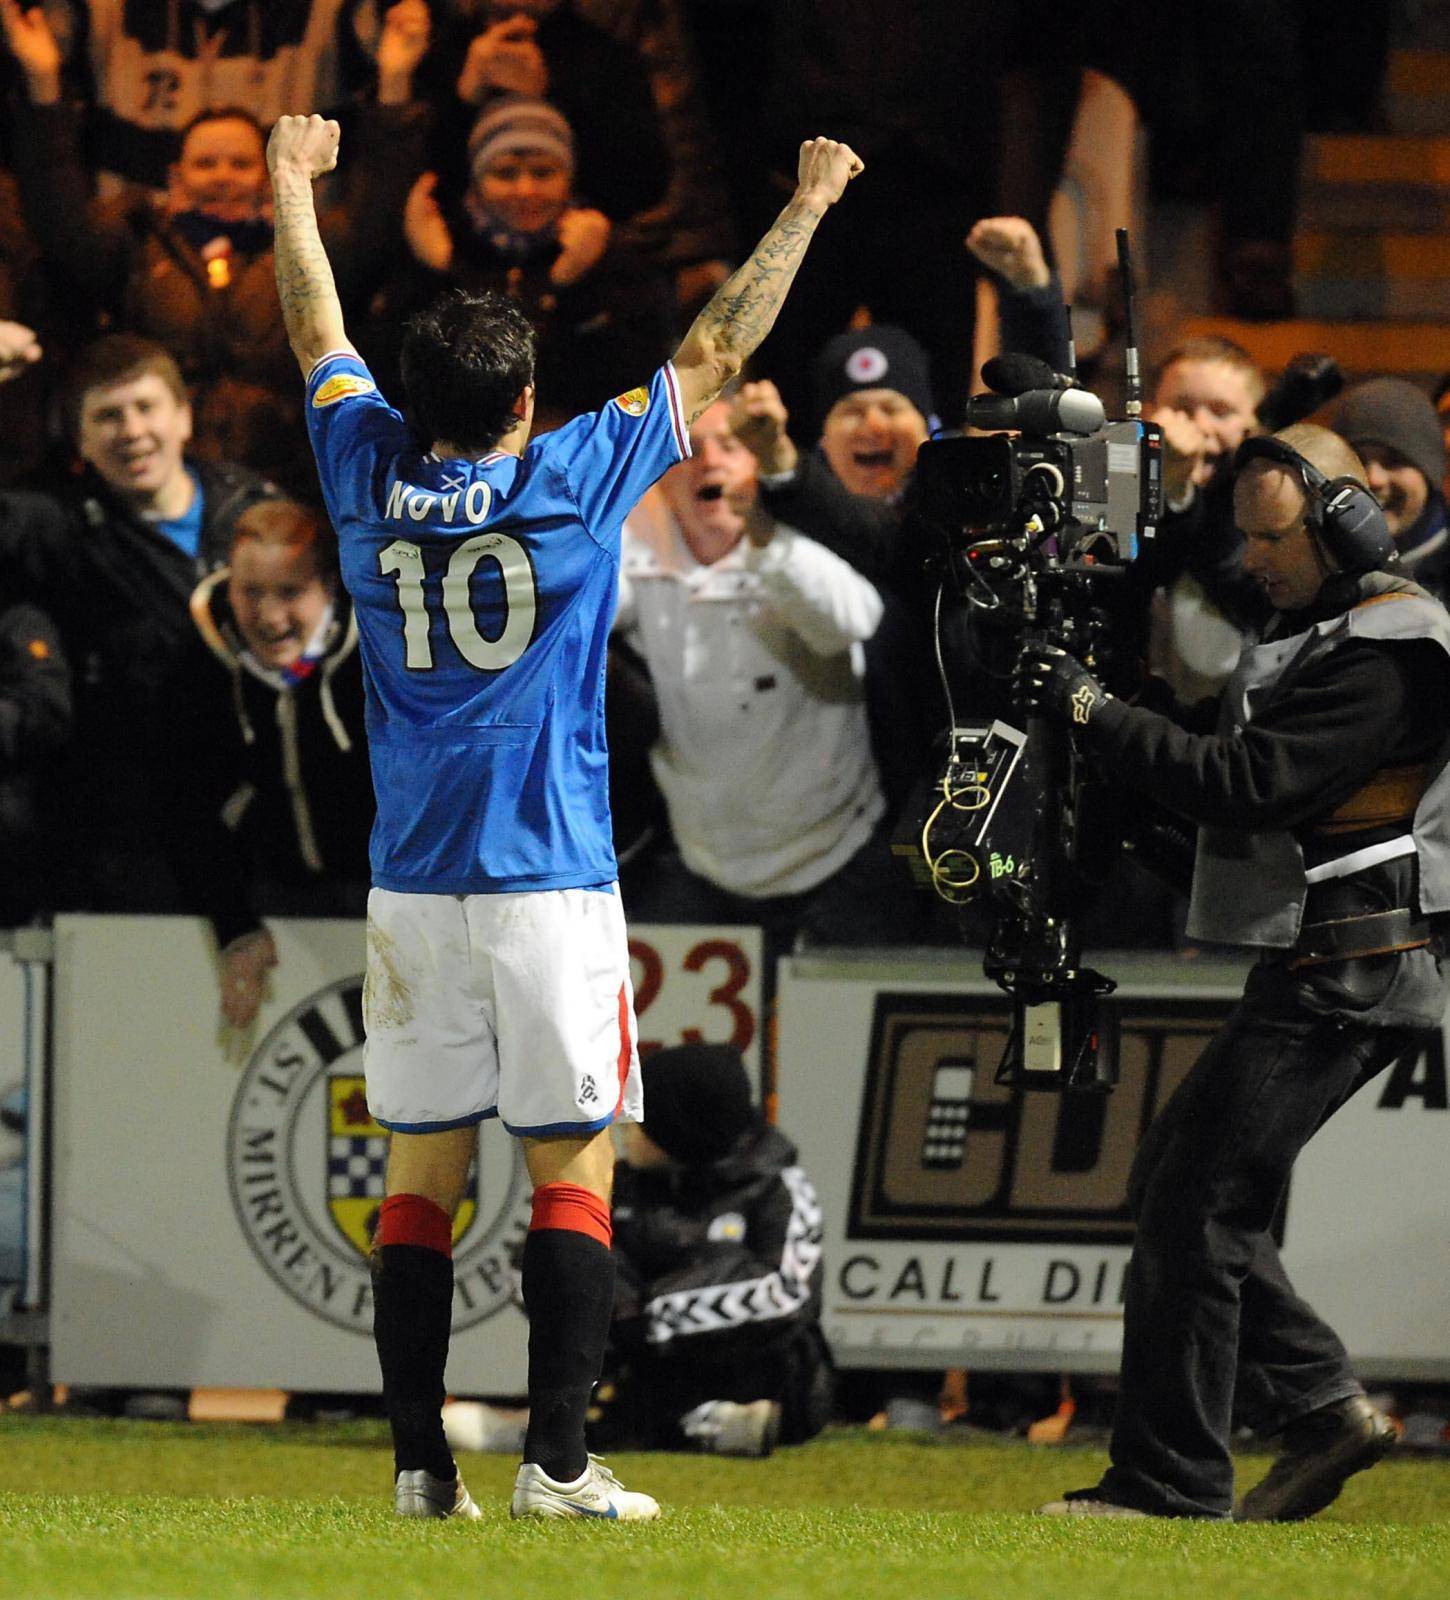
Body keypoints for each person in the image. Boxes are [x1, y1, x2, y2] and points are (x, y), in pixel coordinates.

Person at [266, 108, 862, 1521]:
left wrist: (294, 181)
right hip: (546, 879)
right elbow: (716, 349)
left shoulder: (360, 469)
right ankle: (555, 1466)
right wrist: (810, 201)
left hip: (413, 885)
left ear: (409, 402)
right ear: (526, 401)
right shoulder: (570, 475)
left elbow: (311, 331)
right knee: (571, 1171)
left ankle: (420, 1469)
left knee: (418, 1173)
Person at [1016, 422, 1450, 1520]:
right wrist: (1126, 708)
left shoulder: (1390, 649)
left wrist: (1092, 709)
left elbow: (1245, 783)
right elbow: (1217, 756)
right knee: (1187, 1190)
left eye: (1270, 540)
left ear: (1344, 524)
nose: (1251, 562)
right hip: (1328, 962)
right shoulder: (1333, 633)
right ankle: (1316, 1409)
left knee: (1193, 1205)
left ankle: (1170, 1481)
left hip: (1354, 968)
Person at [3, 0, 430, 483]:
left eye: (240, 163)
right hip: (161, 475)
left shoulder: (309, 247)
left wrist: (395, 84)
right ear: (176, 177)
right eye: (206, 164)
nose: (223, 176)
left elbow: (379, 207)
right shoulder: (137, 246)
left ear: (268, 176)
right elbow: (56, 210)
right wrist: (43, 83)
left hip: (286, 478)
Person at [444, 1041, 832, 1460]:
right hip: (636, 1367)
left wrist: (648, 1316)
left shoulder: (776, 1188)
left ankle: (553, 1430)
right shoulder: (621, 1183)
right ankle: (699, 1424)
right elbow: (533, 1263)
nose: (622, 1126)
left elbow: (788, 1292)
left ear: (679, 1130)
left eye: (636, 1116)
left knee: (728, 1269)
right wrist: (613, 1307)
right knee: (582, 1253)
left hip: (761, 1378)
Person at [615, 396, 908, 950]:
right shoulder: (642, 558)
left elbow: (853, 620)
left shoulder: (792, 548)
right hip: (705, 870)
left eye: (729, 446)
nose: (710, 463)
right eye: (689, 451)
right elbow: (580, 609)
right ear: (662, 482)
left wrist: (766, 543)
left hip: (839, 863)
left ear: (755, 466)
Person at [0, 333, 273, 912]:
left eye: (146, 407)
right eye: (107, 416)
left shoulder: (257, 513)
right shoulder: (58, 530)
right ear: (79, 440)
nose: (131, 431)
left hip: (270, 843)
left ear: (183, 418)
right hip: (129, 859)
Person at [177, 498, 371, 1029]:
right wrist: (235, 926)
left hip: (383, 906)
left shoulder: (381, 654)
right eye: (251, 592)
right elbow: (187, 808)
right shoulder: (200, 663)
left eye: (290, 592)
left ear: (329, 585)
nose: (269, 616)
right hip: (271, 905)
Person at [384, 95, 670, 425]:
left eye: (543, 172)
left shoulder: (611, 259)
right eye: (505, 173)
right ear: (476, 183)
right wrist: (443, 270)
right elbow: (412, 380)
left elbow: (628, 386)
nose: (525, 190)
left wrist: (576, 286)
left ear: (569, 177)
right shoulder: (441, 249)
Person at [1333, 378, 1448, 602]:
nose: (1373, 479)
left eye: (1394, 460)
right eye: (1356, 460)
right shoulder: (1310, 573)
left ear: (1429, 473)